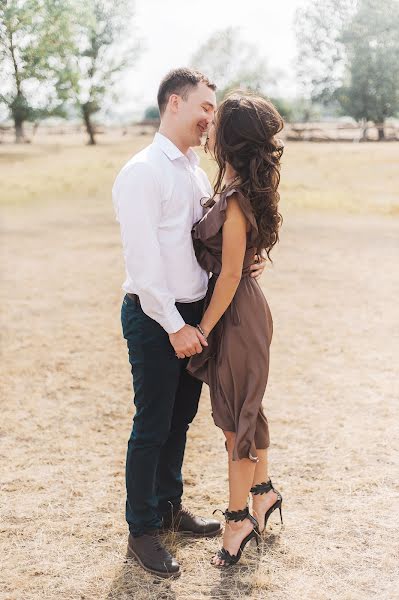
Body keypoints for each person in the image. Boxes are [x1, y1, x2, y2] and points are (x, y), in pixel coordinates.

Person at [112, 68, 266, 579]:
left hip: (195, 317)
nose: (210, 119)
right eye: (204, 107)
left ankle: (169, 506)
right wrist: (176, 324)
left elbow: (204, 244)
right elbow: (143, 264)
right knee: (152, 424)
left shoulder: (195, 170)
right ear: (174, 103)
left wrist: (241, 263)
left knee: (180, 421)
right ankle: (142, 530)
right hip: (158, 318)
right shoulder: (142, 171)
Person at [186, 92, 284, 567]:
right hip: (241, 308)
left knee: (235, 421)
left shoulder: (238, 195)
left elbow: (228, 275)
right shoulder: (235, 183)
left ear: (227, 139)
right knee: (246, 407)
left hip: (236, 313)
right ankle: (262, 494)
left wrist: (203, 327)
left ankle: (237, 518)